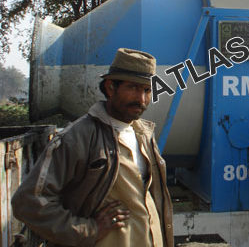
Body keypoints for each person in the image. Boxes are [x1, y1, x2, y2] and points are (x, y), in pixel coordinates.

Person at [12, 48, 173, 247]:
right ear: (110, 87)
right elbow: (28, 202)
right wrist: (89, 230)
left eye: (147, 90)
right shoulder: (79, 137)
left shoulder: (143, 135)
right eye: (132, 87)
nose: (141, 99)